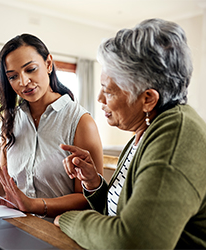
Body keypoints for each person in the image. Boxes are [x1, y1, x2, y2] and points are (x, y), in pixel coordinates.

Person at [54, 18, 206, 249]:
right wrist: (94, 181)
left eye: (108, 91)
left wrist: (68, 218)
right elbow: (118, 215)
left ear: (147, 99)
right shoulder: (144, 132)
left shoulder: (176, 136)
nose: (100, 99)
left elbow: (133, 241)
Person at [0, 34, 103, 220]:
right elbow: (6, 179)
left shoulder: (80, 122)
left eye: (30, 69)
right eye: (13, 76)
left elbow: (89, 199)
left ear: (48, 64)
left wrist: (34, 205)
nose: (23, 82)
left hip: (58, 230)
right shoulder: (12, 119)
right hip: (15, 225)